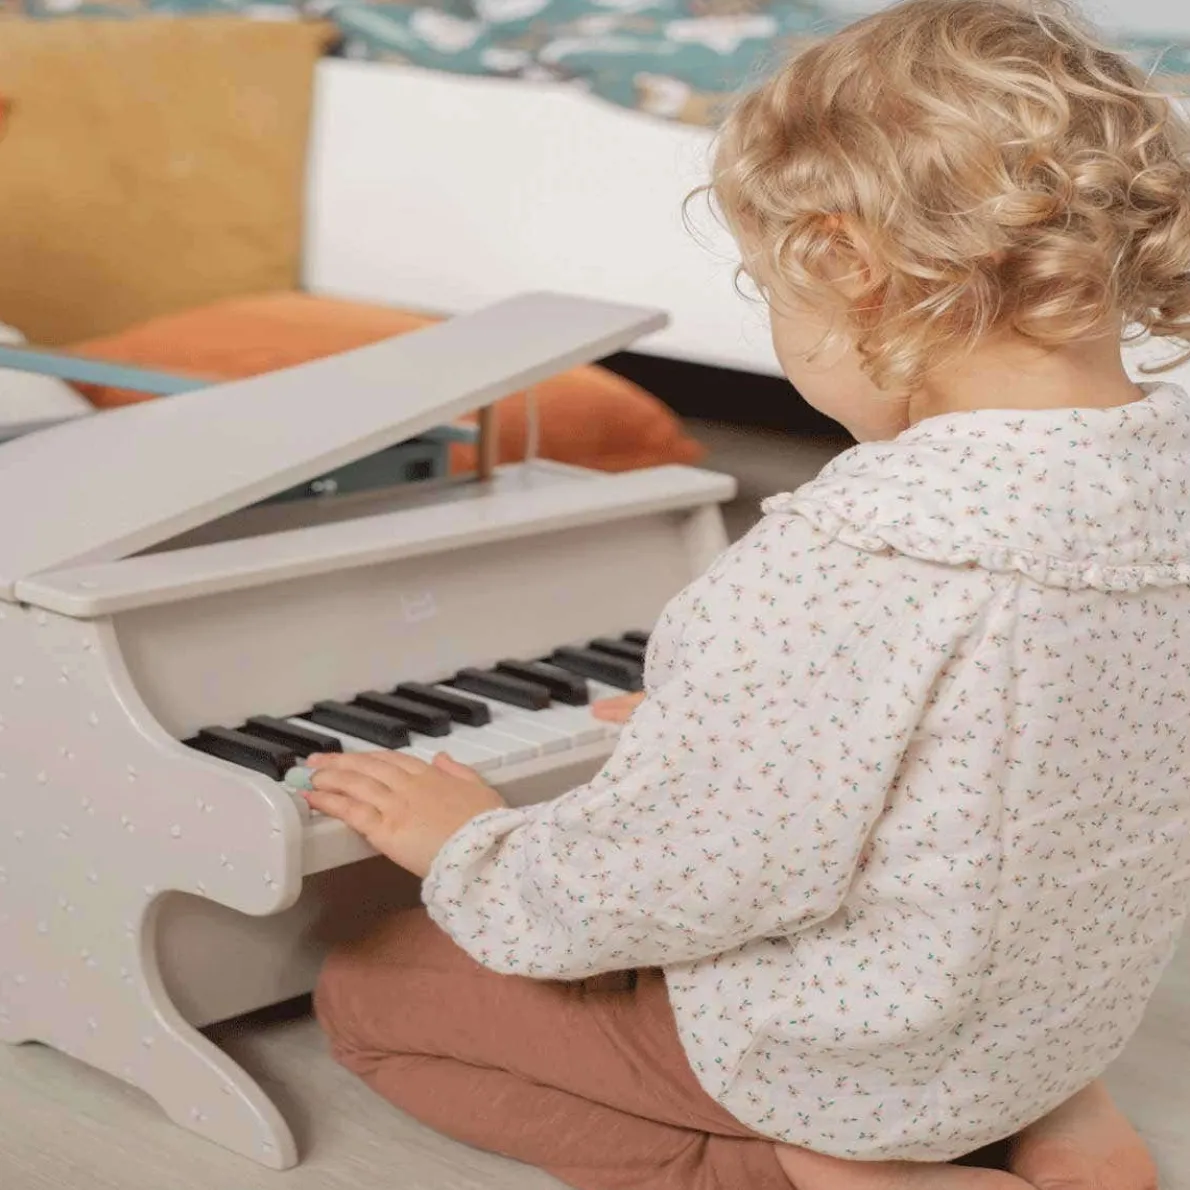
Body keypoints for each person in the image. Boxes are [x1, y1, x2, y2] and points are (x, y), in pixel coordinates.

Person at [295, 2, 1190, 1187]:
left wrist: (474, 846)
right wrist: (716, 730)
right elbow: (1005, 757)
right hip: (1040, 1011)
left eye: (774, 292)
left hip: (857, 1045)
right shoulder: (1162, 482)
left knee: (365, 988)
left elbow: (690, 880)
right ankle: (1059, 1117)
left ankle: (836, 1168)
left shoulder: (862, 548)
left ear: (842, 262)